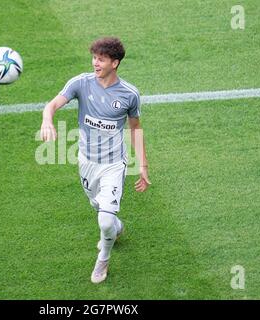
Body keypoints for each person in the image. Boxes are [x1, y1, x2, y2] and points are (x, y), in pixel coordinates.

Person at [40, 37, 151, 284]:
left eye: (101, 59)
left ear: (115, 63)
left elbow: (135, 129)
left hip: (114, 164)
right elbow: (52, 105)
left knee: (104, 219)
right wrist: (47, 119)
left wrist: (143, 165)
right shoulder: (81, 83)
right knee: (99, 209)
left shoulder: (129, 94)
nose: (95, 63)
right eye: (94, 58)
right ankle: (116, 228)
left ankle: (103, 258)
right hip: (87, 161)